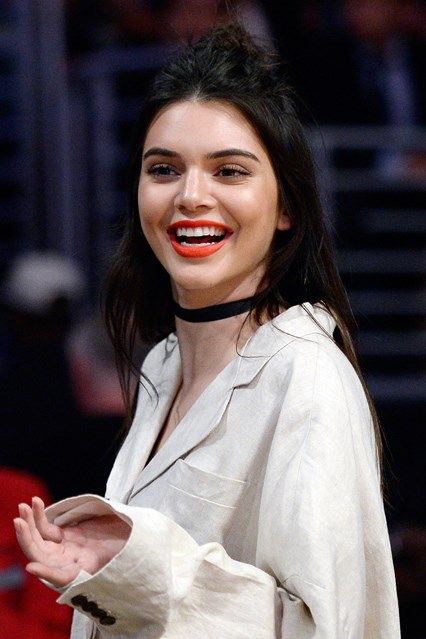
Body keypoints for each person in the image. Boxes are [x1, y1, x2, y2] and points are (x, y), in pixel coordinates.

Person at [13, 25, 400, 638]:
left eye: (230, 171)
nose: (191, 196)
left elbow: (328, 628)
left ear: (285, 208)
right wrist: (119, 576)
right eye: (164, 168)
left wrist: (134, 568)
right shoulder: (164, 365)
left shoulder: (305, 378)